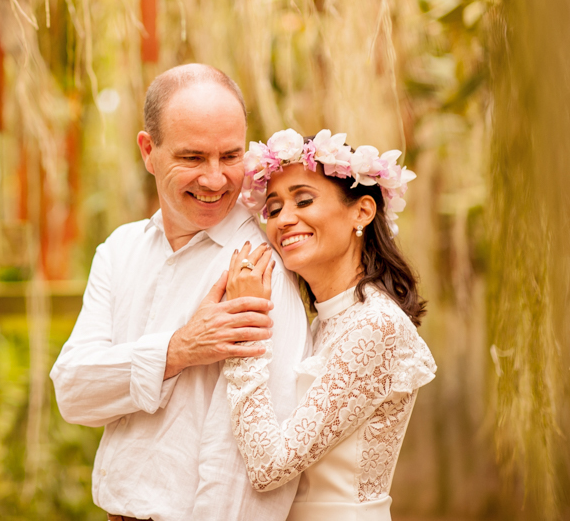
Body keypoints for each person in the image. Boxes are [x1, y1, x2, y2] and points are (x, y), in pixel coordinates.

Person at [50, 65, 309, 521]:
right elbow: (73, 391)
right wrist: (178, 350)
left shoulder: (259, 266)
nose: (215, 180)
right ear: (149, 151)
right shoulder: (120, 249)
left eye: (230, 157)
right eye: (192, 158)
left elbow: (245, 464)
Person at [222, 129, 436, 521]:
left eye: (304, 200)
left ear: (362, 212)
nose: (285, 219)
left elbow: (270, 467)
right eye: (273, 209)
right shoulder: (324, 323)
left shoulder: (375, 325)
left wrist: (243, 326)